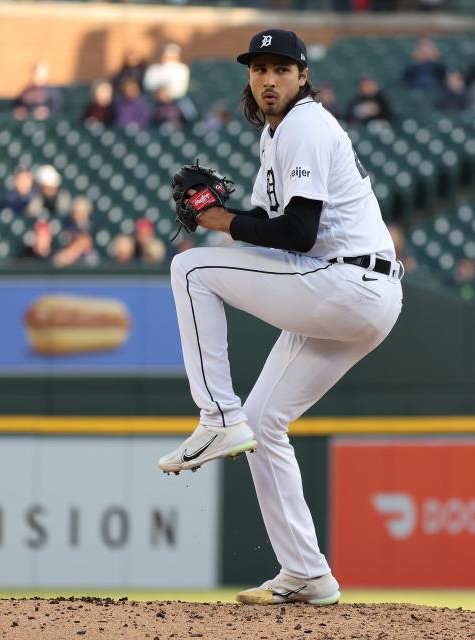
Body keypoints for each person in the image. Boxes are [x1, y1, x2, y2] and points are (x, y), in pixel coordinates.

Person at [155, 29, 403, 608]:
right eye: (258, 68)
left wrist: (219, 221)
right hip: (356, 292)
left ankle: (216, 414)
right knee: (264, 424)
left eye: (280, 68)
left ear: (302, 76)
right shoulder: (278, 135)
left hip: (346, 283)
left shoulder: (306, 125)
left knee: (190, 272)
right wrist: (232, 216)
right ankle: (307, 573)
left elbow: (297, 233)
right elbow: (280, 237)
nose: (268, 78)